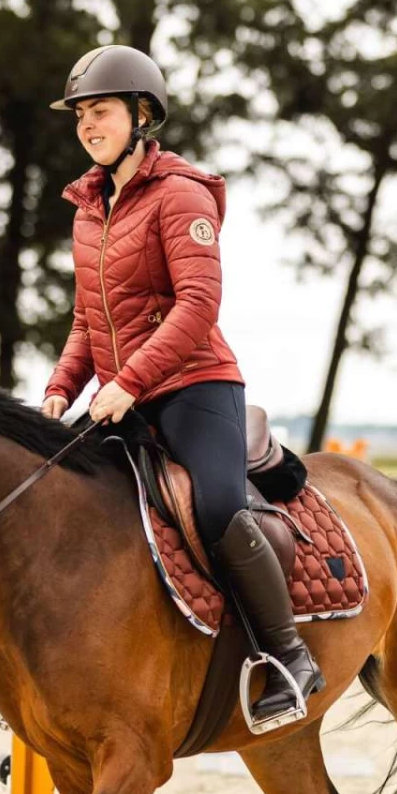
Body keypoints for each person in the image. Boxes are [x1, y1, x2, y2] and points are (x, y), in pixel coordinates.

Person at [40, 43, 324, 726]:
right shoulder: (87, 207)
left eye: (99, 111)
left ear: (143, 115)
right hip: (121, 394)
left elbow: (199, 307)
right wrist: (60, 388)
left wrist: (130, 381)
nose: (87, 125)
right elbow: (88, 317)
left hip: (196, 385)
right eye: (80, 115)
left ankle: (289, 655)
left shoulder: (182, 195)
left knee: (219, 508)